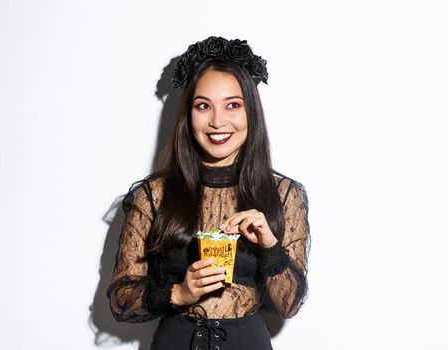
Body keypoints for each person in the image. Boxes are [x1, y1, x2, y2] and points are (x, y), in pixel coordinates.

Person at [106, 36, 310, 350]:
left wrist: (269, 246)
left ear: (250, 113)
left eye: (233, 105)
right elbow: (121, 299)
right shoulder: (154, 196)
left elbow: (289, 305)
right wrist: (178, 293)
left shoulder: (283, 194)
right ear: (188, 114)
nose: (217, 121)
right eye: (204, 106)